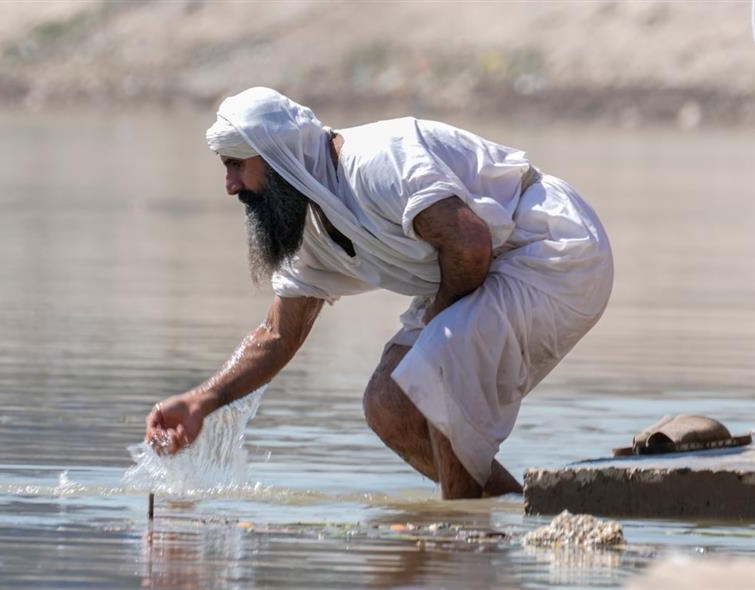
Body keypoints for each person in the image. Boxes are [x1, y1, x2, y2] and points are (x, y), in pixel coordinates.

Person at [145, 87, 613, 499]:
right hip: (484, 267)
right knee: (388, 404)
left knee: (434, 370)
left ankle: (460, 540)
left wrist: (437, 329)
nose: (230, 186)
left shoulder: (375, 162)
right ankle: (502, 515)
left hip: (552, 249)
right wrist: (202, 400)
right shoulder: (310, 227)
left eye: (235, 166)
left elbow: (469, 242)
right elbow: (276, 335)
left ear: (276, 156)